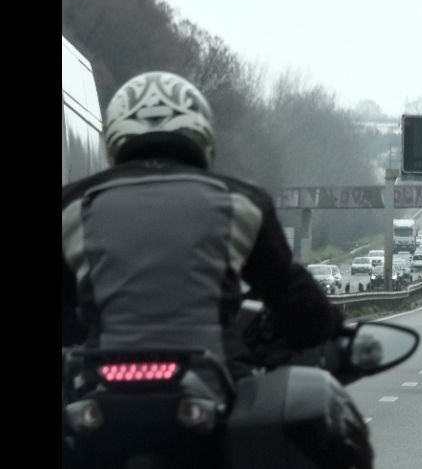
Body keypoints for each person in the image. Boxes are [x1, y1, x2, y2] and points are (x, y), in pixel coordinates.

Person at [61, 71, 342, 378]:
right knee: (319, 408)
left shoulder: (72, 206)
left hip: (96, 392)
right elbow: (301, 308)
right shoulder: (242, 203)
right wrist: (280, 340)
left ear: (114, 136)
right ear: (203, 136)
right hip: (211, 387)